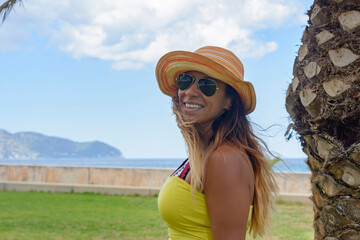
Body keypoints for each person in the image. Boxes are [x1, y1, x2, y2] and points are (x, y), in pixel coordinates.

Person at [156, 46, 277, 239]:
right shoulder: (205, 153)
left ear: (229, 101)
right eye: (185, 81)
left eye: (207, 85)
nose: (190, 92)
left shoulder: (225, 159)